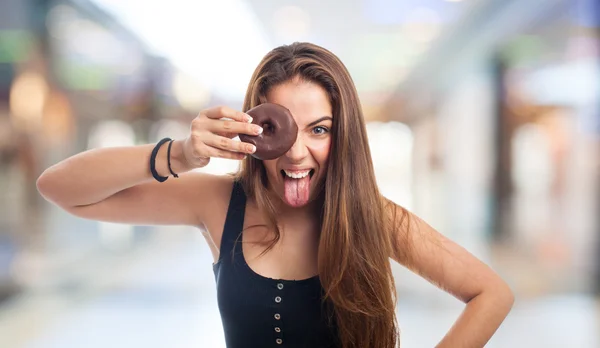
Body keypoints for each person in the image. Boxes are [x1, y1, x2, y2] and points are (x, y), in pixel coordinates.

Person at [36, 42, 514, 348]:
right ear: (254, 132)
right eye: (281, 129)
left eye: (320, 130)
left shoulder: (375, 218)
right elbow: (59, 188)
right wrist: (179, 154)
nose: (297, 153)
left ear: (343, 136)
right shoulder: (218, 204)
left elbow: (490, 293)